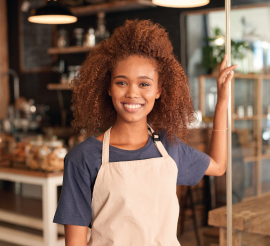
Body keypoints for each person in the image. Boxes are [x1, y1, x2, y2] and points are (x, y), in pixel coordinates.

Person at [53, 19, 237, 246]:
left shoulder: (169, 148)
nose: (132, 93)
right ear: (108, 88)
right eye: (122, 82)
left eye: (144, 84)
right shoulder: (83, 158)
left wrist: (222, 103)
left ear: (159, 90)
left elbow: (218, 166)